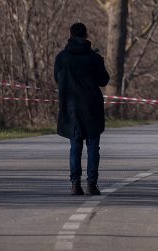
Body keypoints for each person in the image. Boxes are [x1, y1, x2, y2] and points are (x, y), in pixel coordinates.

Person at [55, 22, 110, 196]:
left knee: (75, 146)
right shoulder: (93, 58)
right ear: (86, 36)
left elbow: (58, 78)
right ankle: (92, 184)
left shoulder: (62, 58)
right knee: (93, 146)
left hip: (71, 107)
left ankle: (75, 184)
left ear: (70, 35)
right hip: (92, 106)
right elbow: (104, 80)